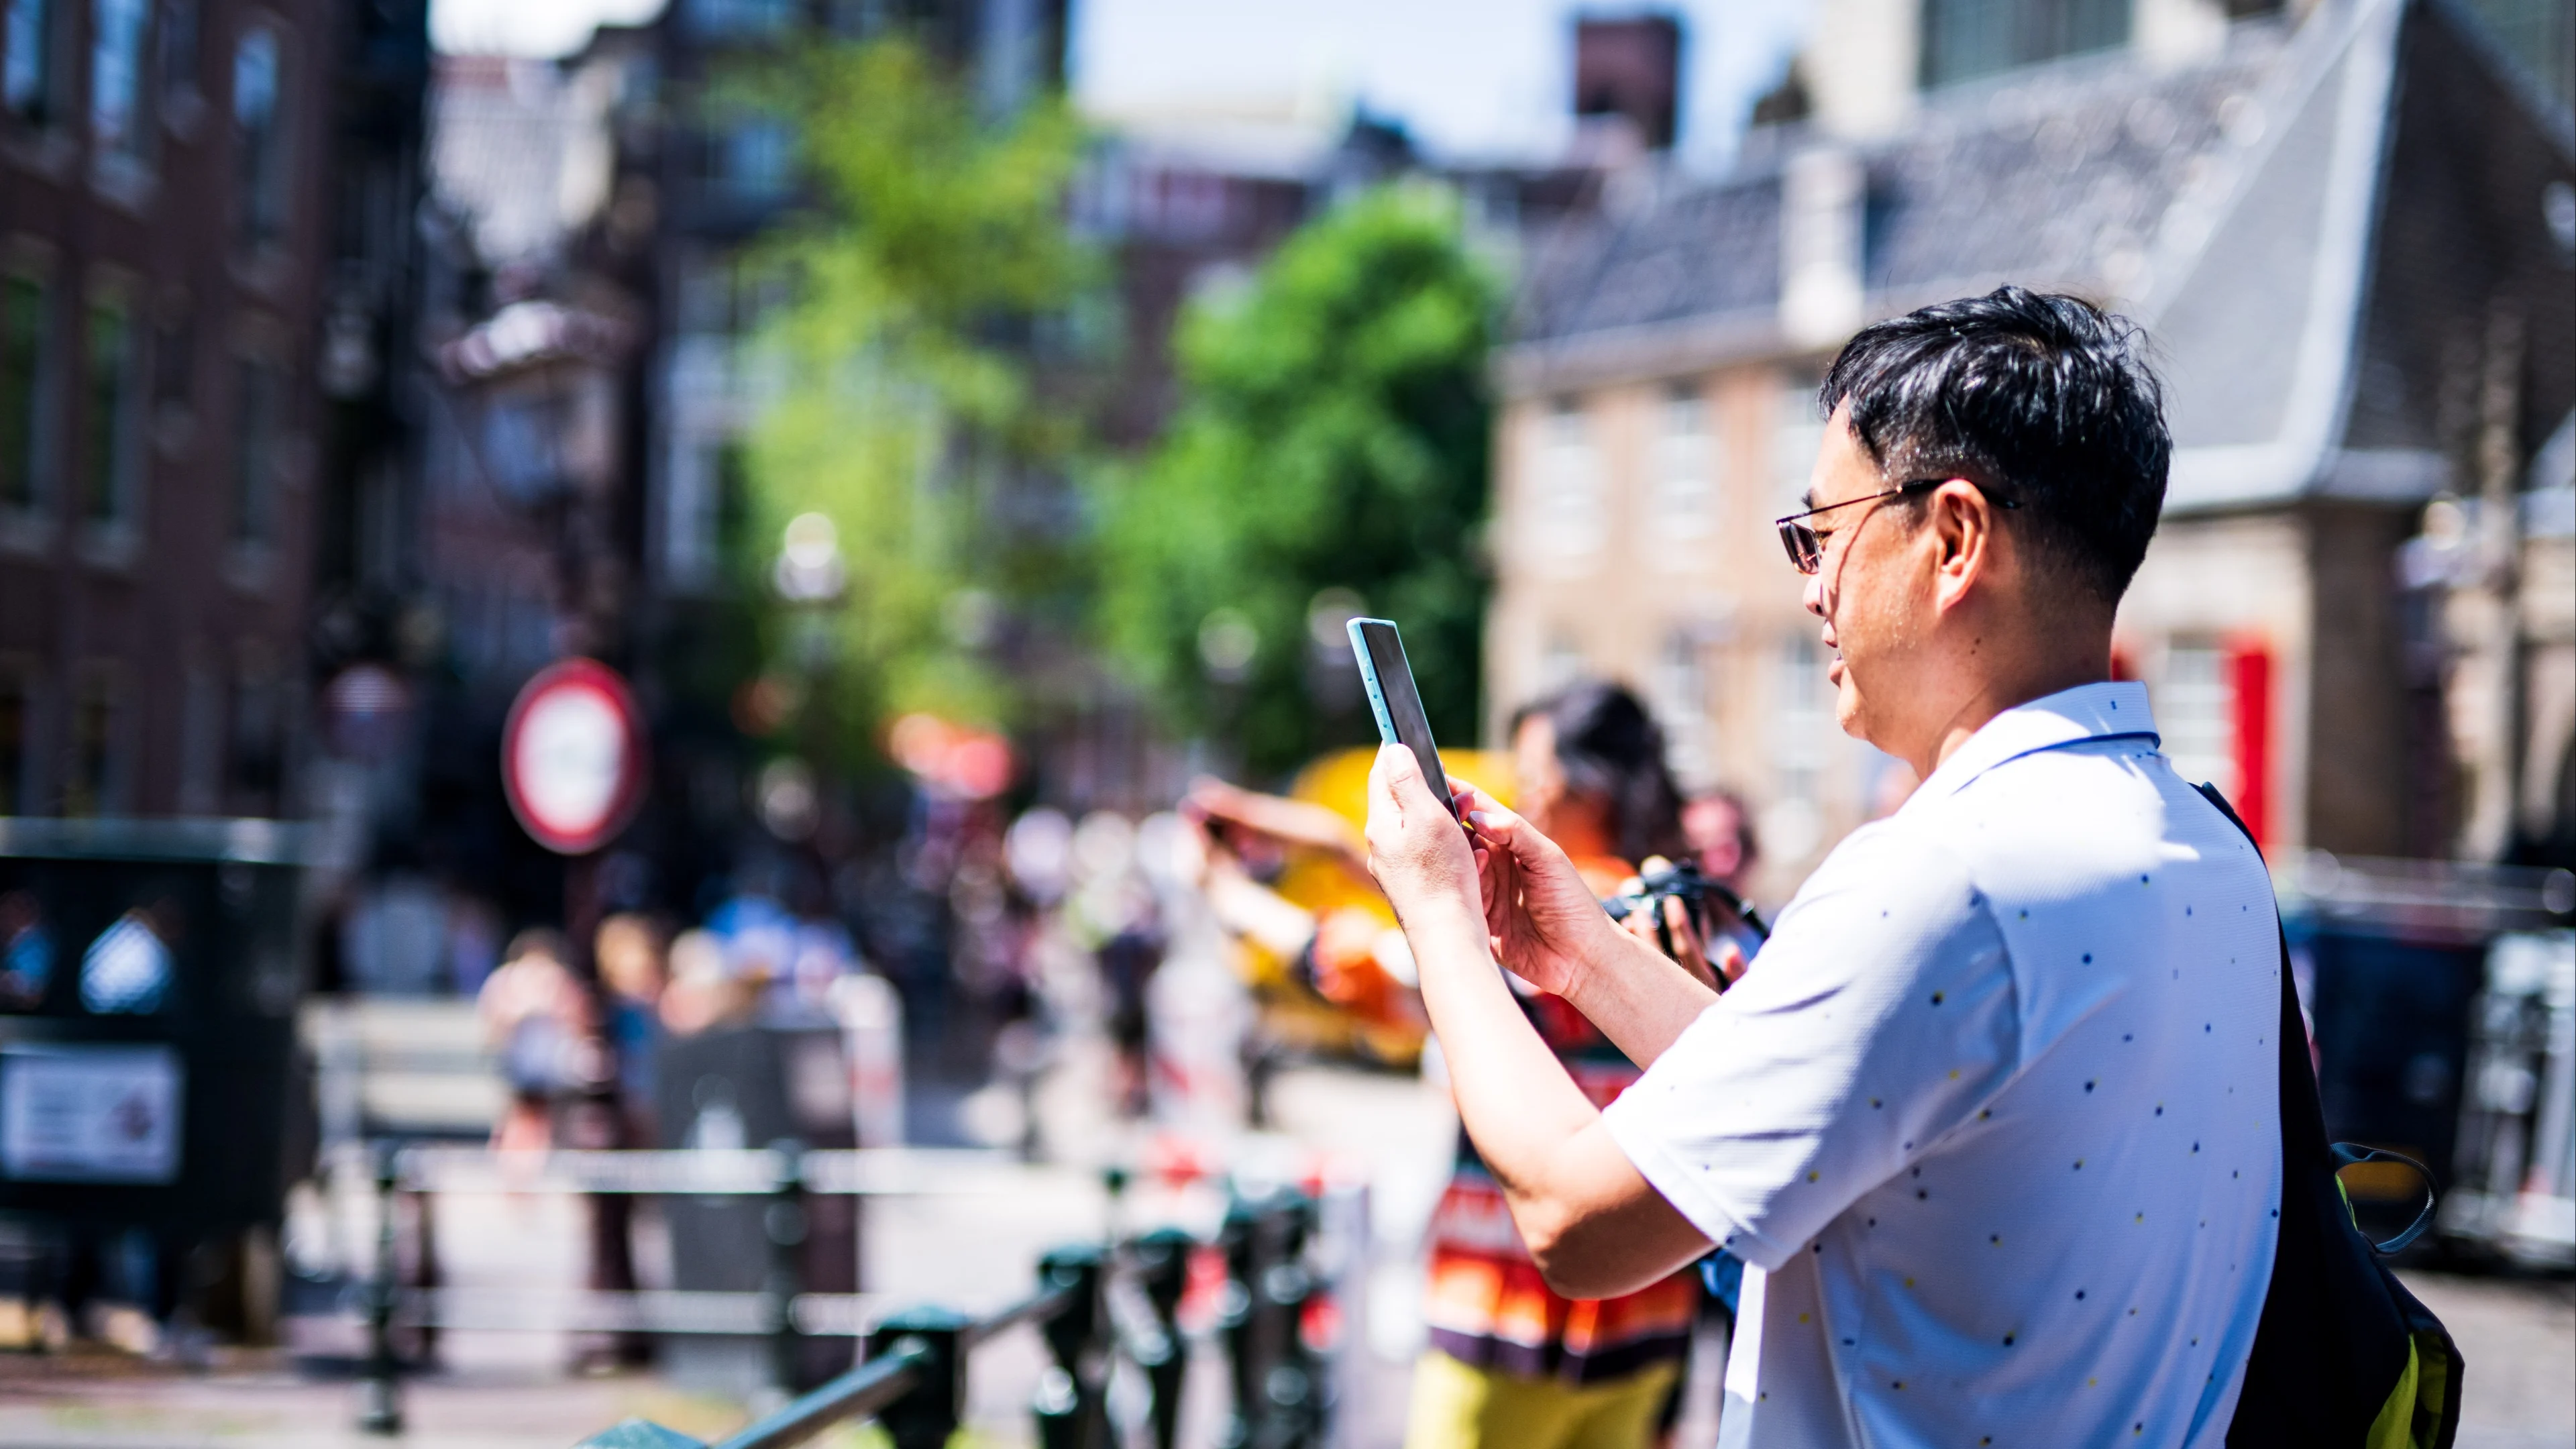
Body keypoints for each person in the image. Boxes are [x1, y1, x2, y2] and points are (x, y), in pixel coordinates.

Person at [1363, 287, 2281, 1447]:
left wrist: (1438, 912)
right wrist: (1582, 956)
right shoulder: (2212, 853)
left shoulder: (1942, 878)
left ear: (1954, 539)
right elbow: (1851, 1095)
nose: (1810, 587)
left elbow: (1572, 1219)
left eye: (1822, 533)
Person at [1404, 682, 1704, 1449]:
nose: (1517, 794)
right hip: (1647, 1320)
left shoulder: (1542, 911)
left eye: (1531, 774)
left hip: (1507, 1309)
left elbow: (1384, 982)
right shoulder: (1677, 906)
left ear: (1586, 788)